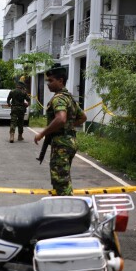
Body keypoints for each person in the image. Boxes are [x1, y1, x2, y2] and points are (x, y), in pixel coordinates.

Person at [34, 64, 87, 196]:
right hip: (71, 141)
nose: (48, 84)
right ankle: (61, 203)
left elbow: (61, 118)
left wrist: (42, 133)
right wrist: (69, 126)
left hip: (61, 144)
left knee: (60, 181)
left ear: (61, 81)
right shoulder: (68, 97)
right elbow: (83, 117)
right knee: (63, 177)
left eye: (51, 81)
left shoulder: (59, 98)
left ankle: (67, 210)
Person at [7, 78, 31, 143]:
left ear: (17, 85)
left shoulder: (12, 91)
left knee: (13, 122)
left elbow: (8, 99)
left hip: (14, 109)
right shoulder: (24, 92)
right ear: (22, 86)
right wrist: (27, 105)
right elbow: (28, 100)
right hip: (21, 109)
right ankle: (20, 136)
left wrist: (9, 104)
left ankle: (12, 136)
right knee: (20, 123)